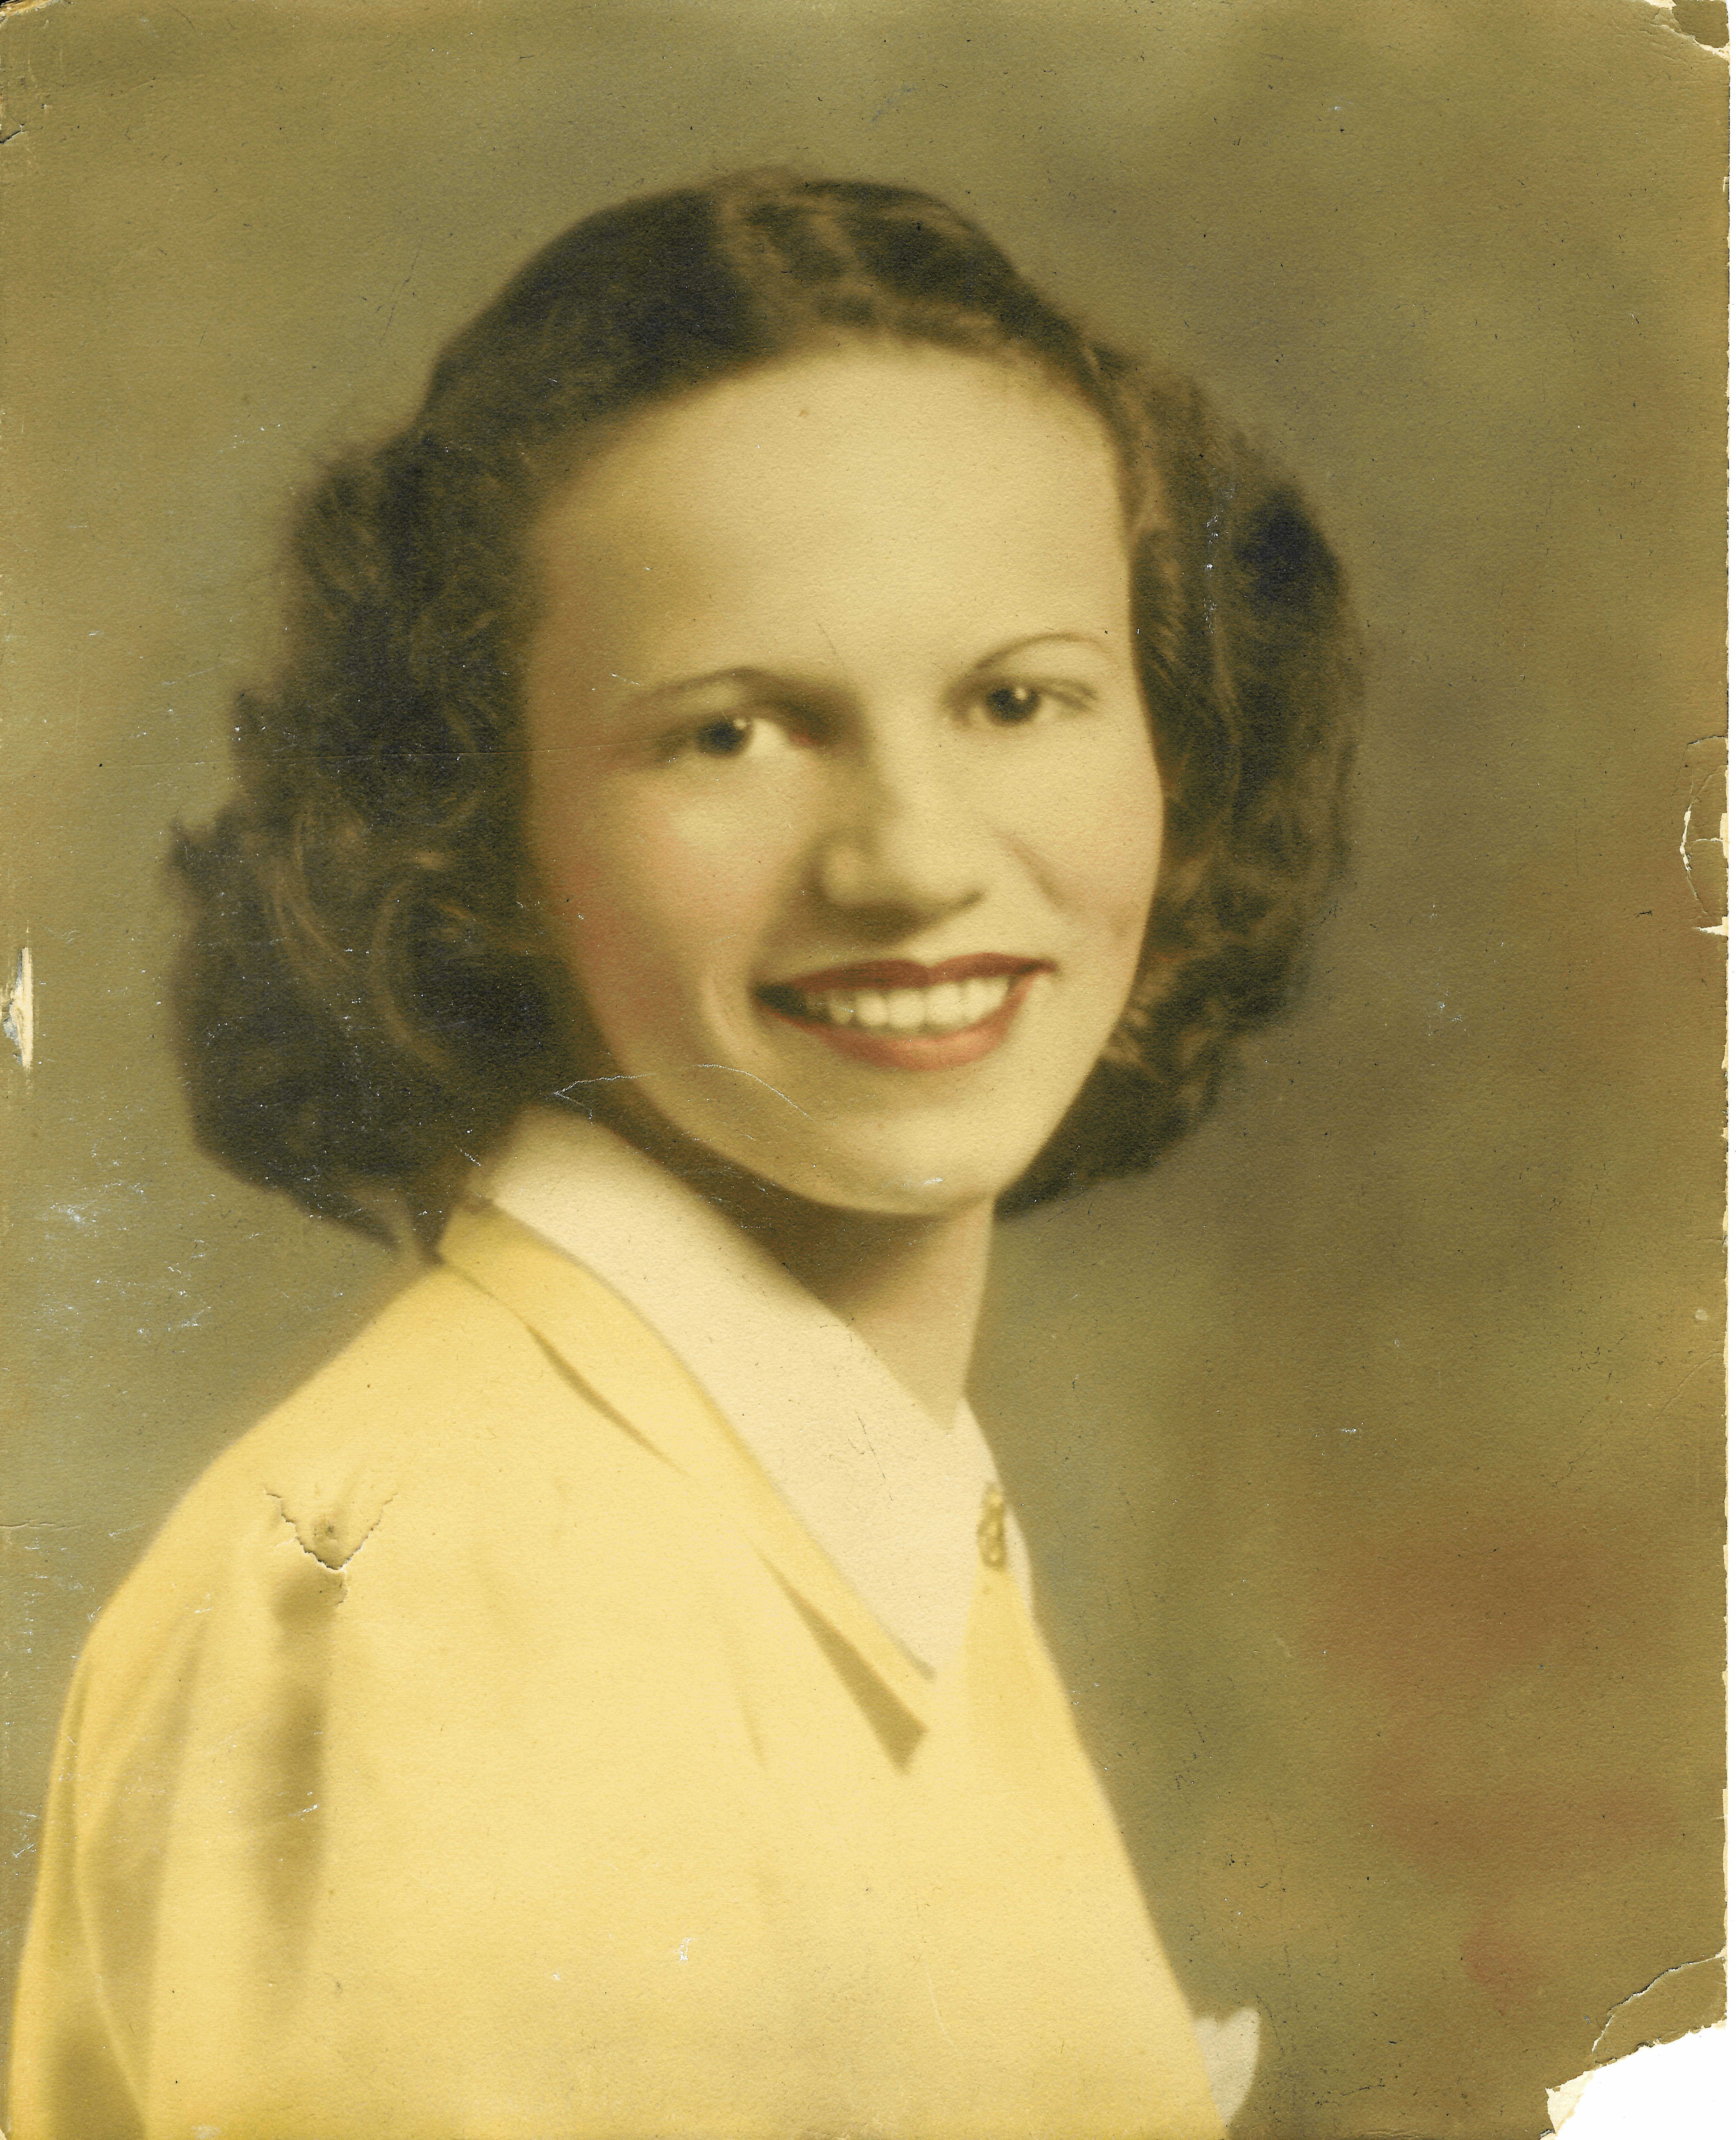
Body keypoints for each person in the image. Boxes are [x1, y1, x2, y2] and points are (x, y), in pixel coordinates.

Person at [9, 172, 1358, 2139]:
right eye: (731, 733)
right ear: (481, 831)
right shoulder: (463, 1590)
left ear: (1175, 756)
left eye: (1016, 698)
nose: (909, 860)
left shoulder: (808, 1494)